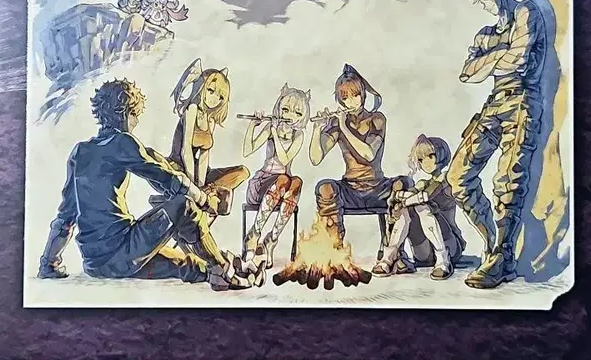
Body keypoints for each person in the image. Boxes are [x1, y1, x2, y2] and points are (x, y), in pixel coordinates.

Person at [37, 78, 244, 289]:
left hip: (97, 264)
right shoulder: (122, 141)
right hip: (123, 249)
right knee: (185, 205)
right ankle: (220, 267)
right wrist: (205, 199)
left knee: (186, 265)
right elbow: (167, 178)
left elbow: (66, 215)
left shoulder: (80, 152)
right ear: (124, 113)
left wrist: (48, 262)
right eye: (135, 115)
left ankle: (218, 270)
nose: (136, 122)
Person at [447, 0, 547, 289]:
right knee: (457, 176)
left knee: (508, 180)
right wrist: (501, 54)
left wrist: (490, 60)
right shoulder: (485, 33)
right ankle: (492, 244)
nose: (485, 5)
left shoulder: (525, 13)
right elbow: (467, 73)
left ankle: (503, 257)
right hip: (494, 104)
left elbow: (519, 61)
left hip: (522, 101)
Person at [310, 64, 409, 252]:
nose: (351, 101)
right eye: (345, 97)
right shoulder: (337, 123)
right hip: (350, 190)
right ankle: (335, 250)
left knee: (403, 184)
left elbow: (368, 154)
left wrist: (343, 127)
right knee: (324, 187)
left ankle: (394, 253)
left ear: (363, 94)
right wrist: (317, 130)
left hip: (378, 189)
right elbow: (316, 158)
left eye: (355, 95)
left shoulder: (377, 119)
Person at [241, 84, 311, 281]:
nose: (290, 115)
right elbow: (247, 150)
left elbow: (285, 158)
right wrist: (253, 125)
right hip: (262, 184)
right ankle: (254, 235)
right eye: (286, 109)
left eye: (297, 112)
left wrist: (275, 132)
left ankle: (271, 239)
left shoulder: (299, 135)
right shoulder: (271, 129)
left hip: (282, 187)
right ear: (279, 108)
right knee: (284, 179)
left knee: (296, 181)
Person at [374, 135, 466, 280]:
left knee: (422, 206)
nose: (426, 162)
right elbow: (412, 194)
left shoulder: (446, 179)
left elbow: (426, 195)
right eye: (421, 159)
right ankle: (388, 257)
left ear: (441, 155)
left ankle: (443, 260)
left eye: (431, 156)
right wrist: (399, 199)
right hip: (423, 252)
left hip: (449, 246)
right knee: (408, 207)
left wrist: (404, 200)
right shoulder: (423, 183)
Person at [167, 59, 250, 217]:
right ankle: (205, 195)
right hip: (180, 167)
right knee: (188, 182)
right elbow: (186, 151)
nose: (214, 99)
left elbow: (204, 157)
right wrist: (194, 187)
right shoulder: (192, 109)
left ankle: (208, 191)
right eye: (211, 91)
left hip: (199, 172)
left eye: (220, 96)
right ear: (201, 88)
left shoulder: (210, 119)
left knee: (243, 172)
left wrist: (201, 186)